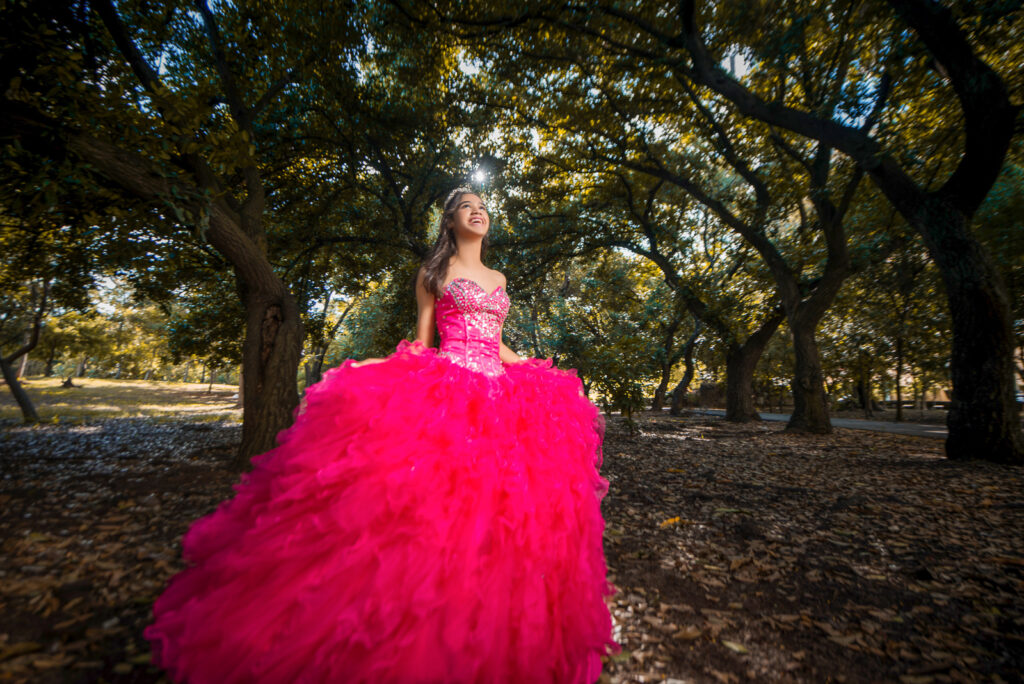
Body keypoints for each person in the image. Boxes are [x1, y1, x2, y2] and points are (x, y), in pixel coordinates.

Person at [143, 186, 621, 683]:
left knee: (505, 516)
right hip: (452, 392)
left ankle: (492, 627)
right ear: (449, 220)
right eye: (466, 206)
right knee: (440, 510)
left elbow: (497, 345)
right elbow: (423, 342)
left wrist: (548, 376)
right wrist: (373, 366)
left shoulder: (500, 278)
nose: (477, 210)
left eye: (482, 205)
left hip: (502, 399)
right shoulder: (434, 273)